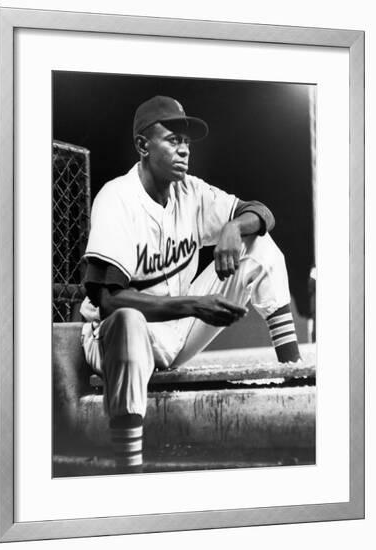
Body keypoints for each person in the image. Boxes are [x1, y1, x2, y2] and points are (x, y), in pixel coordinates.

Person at [79, 95, 301, 473]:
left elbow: (262, 213)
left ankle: (296, 377)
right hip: (116, 340)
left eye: (186, 141)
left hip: (175, 332)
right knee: (129, 320)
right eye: (172, 140)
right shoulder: (117, 199)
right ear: (142, 146)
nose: (184, 149)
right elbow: (109, 302)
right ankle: (129, 468)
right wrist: (195, 305)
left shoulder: (191, 192)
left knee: (258, 244)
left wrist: (233, 226)